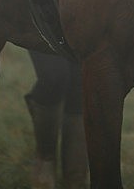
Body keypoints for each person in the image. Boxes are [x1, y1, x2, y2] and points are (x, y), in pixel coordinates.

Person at [25, 51, 88, 189]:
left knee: (81, 82)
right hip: (42, 30)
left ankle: (75, 179)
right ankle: (45, 158)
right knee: (53, 77)